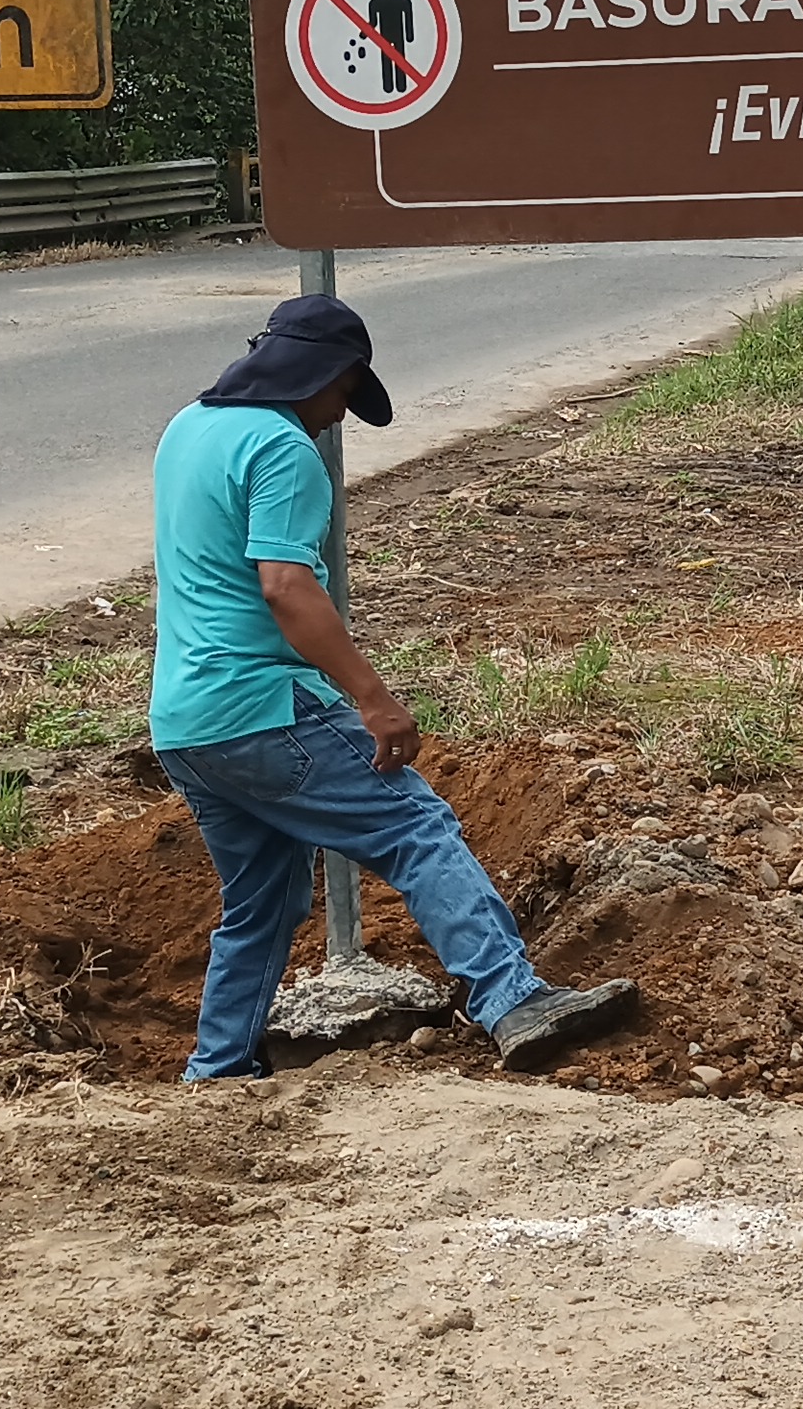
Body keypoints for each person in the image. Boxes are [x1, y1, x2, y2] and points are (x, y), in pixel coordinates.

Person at [148, 294, 636, 1080]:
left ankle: (219, 1068)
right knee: (416, 827)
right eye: (345, 392)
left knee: (263, 901)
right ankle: (513, 999)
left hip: (185, 724)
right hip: (263, 706)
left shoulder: (188, 428)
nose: (338, 415)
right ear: (324, 373)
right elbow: (284, 586)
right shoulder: (281, 450)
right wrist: (372, 699)